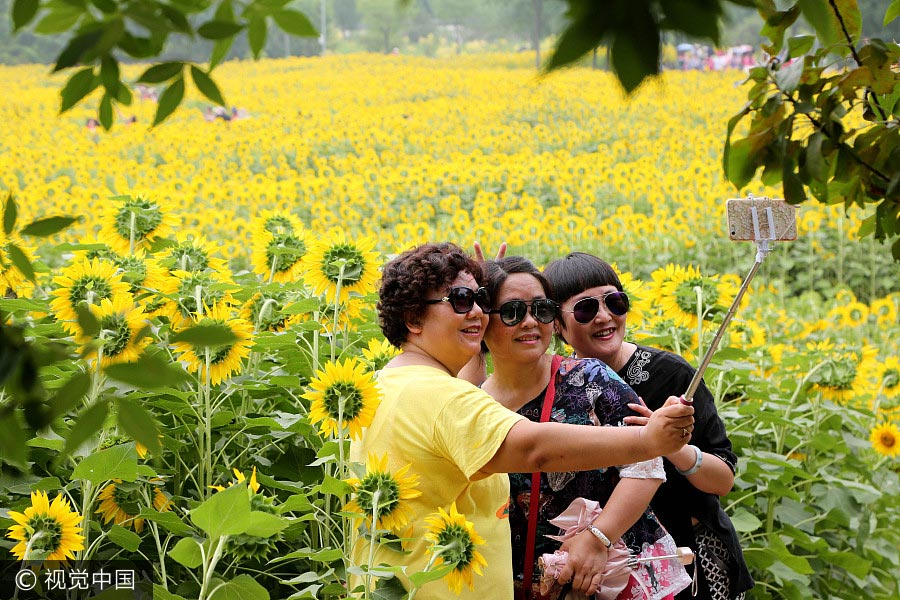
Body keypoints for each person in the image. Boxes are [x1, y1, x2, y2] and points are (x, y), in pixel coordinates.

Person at [351, 243, 695, 599]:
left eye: (480, 301)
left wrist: (600, 536)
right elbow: (534, 448)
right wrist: (647, 440)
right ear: (413, 319)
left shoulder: (378, 387)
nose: (477, 313)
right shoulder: (448, 397)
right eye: (461, 301)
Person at [478, 256, 692, 600]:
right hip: (523, 583)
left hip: (613, 576)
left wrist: (598, 537)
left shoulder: (589, 378)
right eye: (512, 311)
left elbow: (647, 464)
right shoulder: (473, 403)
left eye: (542, 309)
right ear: (482, 321)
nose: (531, 322)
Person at [543, 252, 753, 600]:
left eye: (614, 301)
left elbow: (723, 479)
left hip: (689, 561)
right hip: (609, 570)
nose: (605, 316)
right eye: (585, 309)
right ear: (558, 326)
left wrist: (670, 446)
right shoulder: (559, 386)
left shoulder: (670, 375)